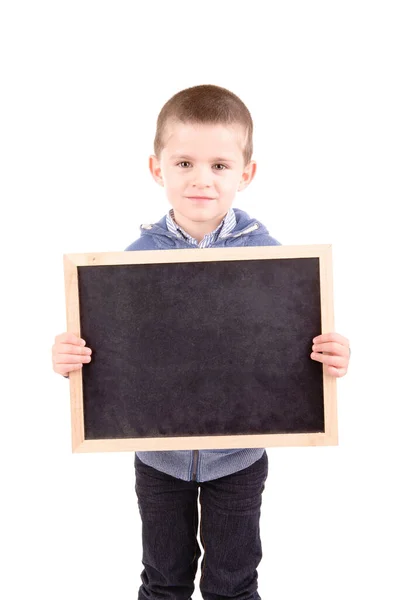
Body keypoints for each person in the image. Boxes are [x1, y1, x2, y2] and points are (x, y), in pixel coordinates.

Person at [52, 84, 350, 600]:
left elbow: (293, 344)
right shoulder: (132, 260)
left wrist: (331, 356)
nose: (201, 180)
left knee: (232, 584)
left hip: (237, 459)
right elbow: (112, 350)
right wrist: (71, 357)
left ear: (246, 173)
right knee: (163, 582)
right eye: (184, 163)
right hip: (158, 458)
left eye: (219, 165)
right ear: (156, 169)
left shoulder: (271, 258)